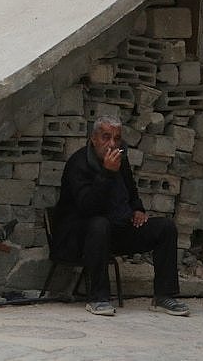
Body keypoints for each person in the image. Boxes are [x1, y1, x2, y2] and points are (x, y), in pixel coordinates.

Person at [53, 114, 190, 317]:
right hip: (78, 238)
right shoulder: (78, 164)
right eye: (106, 137)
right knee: (99, 224)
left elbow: (131, 192)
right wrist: (106, 174)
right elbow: (87, 207)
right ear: (93, 139)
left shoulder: (120, 158)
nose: (111, 144)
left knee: (165, 228)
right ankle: (98, 298)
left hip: (115, 230)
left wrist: (137, 209)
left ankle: (163, 296)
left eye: (116, 139)